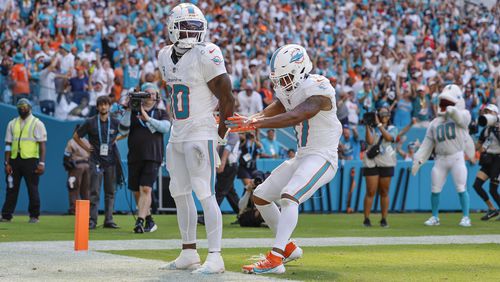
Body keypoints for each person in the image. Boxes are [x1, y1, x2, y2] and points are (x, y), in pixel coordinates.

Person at [228, 44, 342, 275]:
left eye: (286, 77)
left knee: (289, 196)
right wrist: (255, 116)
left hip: (322, 156)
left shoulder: (318, 86)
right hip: (303, 155)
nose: (282, 83)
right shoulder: (290, 88)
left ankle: (275, 258)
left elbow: (297, 114)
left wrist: (256, 123)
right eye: (278, 79)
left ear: (301, 69)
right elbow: (281, 103)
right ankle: (288, 248)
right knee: (260, 196)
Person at [157, 3, 235, 274]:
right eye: (185, 27)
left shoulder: (208, 53)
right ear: (172, 27)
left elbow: (228, 97)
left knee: (204, 191)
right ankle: (188, 251)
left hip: (200, 131)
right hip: (177, 132)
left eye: (195, 27)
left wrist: (221, 133)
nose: (190, 32)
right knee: (178, 191)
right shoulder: (164, 55)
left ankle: (215, 256)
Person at [412, 85, 475, 227]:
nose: (445, 106)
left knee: (461, 187)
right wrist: (419, 158)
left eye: (449, 103)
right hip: (440, 159)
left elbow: (461, 118)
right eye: (444, 103)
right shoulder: (434, 123)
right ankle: (435, 217)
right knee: (435, 188)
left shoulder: (464, 114)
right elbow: (427, 144)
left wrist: (453, 111)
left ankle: (466, 217)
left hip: (456, 156)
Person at [119, 82, 170, 233]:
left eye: (152, 93)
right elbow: (122, 128)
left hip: (153, 155)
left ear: (156, 96)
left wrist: (147, 118)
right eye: (146, 93)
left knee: (146, 188)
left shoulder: (161, 113)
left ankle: (139, 222)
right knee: (136, 190)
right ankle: (149, 220)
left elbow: (165, 127)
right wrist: (129, 110)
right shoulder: (133, 113)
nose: (149, 96)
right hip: (135, 155)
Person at [73, 95, 122, 229]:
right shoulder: (90, 122)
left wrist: (116, 140)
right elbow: (76, 136)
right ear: (97, 107)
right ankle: (92, 220)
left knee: (110, 192)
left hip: (111, 161)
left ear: (109, 106)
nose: (103, 107)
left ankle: (109, 220)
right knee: (94, 191)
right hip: (95, 161)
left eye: (106, 104)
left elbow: (126, 131)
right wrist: (86, 148)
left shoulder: (115, 122)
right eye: (101, 104)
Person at [1, 99, 46, 223]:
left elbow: (42, 145)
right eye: (20, 106)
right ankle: (6, 215)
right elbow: (8, 144)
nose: (22, 108)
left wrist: (42, 163)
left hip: (30, 160)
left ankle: (34, 215)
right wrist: (7, 162)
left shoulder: (37, 123)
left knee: (32, 188)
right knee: (11, 188)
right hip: (14, 160)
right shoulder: (12, 123)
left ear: (30, 108)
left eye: (25, 106)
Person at [362, 107, 398, 228]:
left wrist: (378, 125)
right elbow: (370, 141)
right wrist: (367, 125)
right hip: (371, 161)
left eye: (385, 112)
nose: (383, 114)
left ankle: (384, 218)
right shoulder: (373, 127)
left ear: (389, 116)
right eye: (381, 112)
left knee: (384, 191)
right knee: (370, 191)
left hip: (387, 161)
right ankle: (366, 219)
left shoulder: (393, 128)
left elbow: (389, 138)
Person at [472, 104, 500, 220]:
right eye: (486, 112)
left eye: (489, 112)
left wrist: (497, 129)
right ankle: (492, 209)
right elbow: (477, 146)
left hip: (498, 160)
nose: (487, 114)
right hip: (489, 160)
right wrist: (471, 135)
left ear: (495, 114)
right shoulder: (486, 129)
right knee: (477, 185)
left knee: (492, 189)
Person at [63, 124, 90, 215]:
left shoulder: (72, 141)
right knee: (85, 189)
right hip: (87, 166)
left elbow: (67, 156)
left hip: (76, 167)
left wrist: (67, 165)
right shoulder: (86, 141)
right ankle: (87, 210)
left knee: (73, 187)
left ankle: (73, 209)